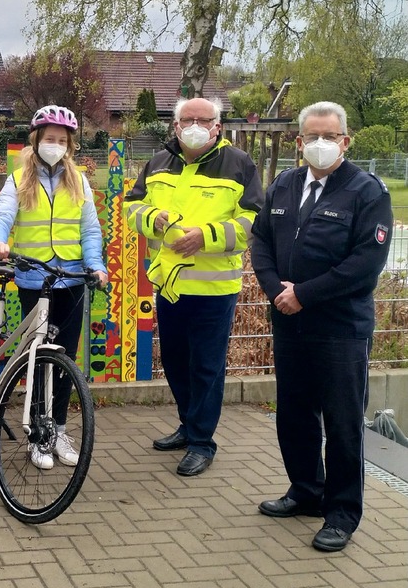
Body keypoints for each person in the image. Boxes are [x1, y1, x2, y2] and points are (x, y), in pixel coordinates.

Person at [250, 101, 392, 552]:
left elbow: (365, 266)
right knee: (294, 415)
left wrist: (303, 294)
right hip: (288, 323)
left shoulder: (367, 192)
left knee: (343, 423)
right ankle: (306, 491)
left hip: (339, 329)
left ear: (345, 141)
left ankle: (342, 513)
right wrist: (277, 291)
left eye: (330, 136)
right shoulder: (284, 186)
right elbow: (260, 241)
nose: (321, 143)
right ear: (298, 142)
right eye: (312, 136)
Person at [126, 97, 263, 476]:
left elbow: (254, 219)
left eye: (205, 120)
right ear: (176, 125)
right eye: (188, 119)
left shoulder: (239, 164)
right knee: (173, 361)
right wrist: (153, 219)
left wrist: (207, 236)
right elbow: (131, 207)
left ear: (218, 126)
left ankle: (203, 442)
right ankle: (188, 426)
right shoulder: (157, 162)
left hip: (214, 289)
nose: (196, 125)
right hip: (171, 285)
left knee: (206, 366)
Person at [0, 106, 108, 469]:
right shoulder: (19, 178)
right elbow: (4, 214)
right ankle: (38, 435)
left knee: (64, 358)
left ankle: (57, 429)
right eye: (48, 139)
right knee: (39, 359)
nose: (54, 145)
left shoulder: (80, 180)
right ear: (36, 140)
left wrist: (96, 265)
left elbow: (90, 230)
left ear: (69, 145)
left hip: (71, 279)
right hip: (33, 279)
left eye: (61, 140)